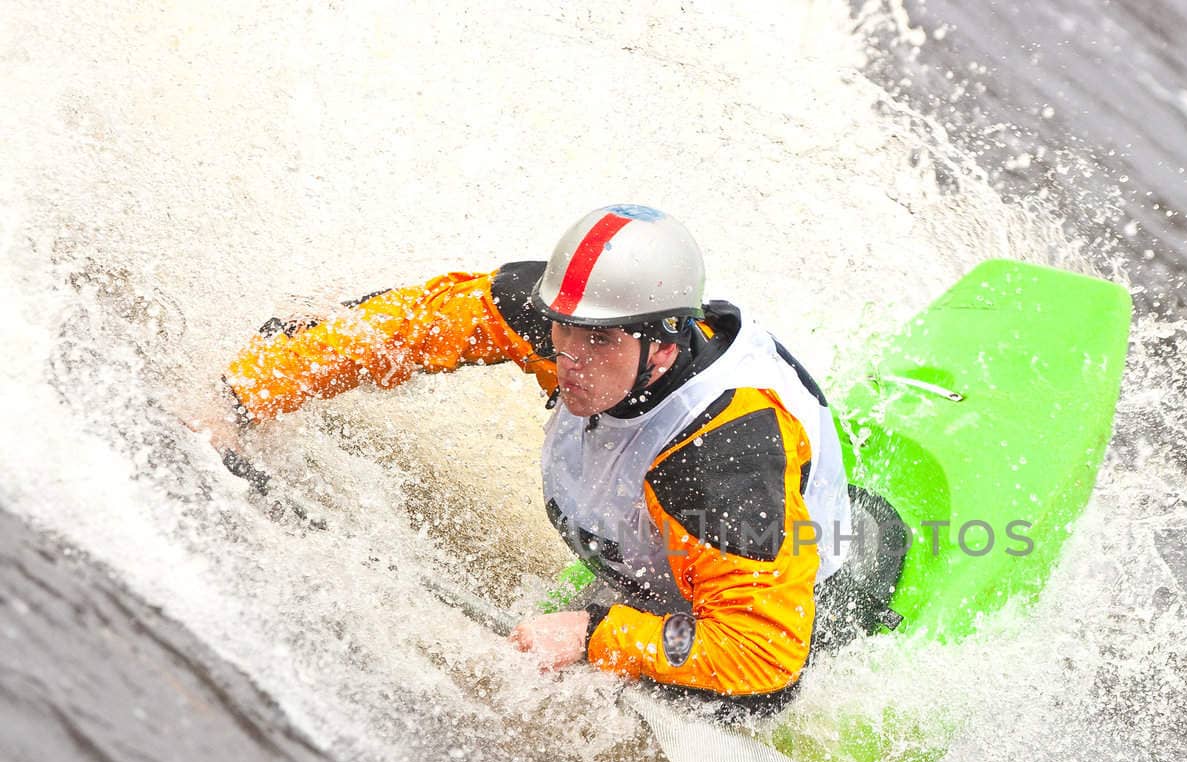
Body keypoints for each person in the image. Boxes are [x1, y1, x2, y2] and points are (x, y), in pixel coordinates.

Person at [195, 204, 903, 713]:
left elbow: (762, 655)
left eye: (597, 344)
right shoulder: (570, 321)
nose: (570, 361)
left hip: (805, 588)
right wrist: (242, 395)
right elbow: (396, 327)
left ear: (663, 343)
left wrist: (596, 634)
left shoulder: (723, 460)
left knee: (760, 690)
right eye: (564, 333)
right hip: (671, 547)